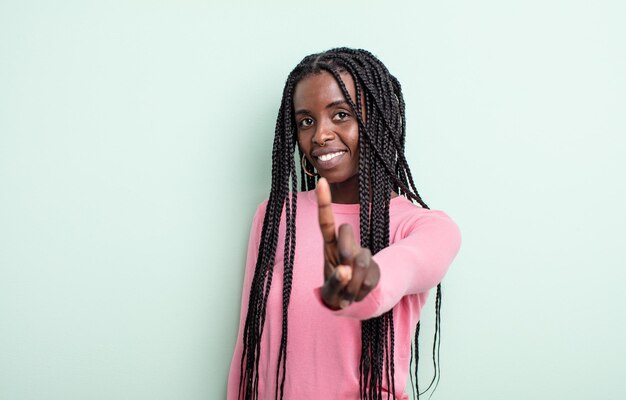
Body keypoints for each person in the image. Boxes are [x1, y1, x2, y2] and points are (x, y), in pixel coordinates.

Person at [227, 48, 461, 400]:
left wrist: (361, 282)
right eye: (306, 121)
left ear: (377, 120)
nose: (320, 134)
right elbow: (249, 352)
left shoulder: (426, 227)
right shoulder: (275, 214)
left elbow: (405, 266)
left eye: (340, 114)